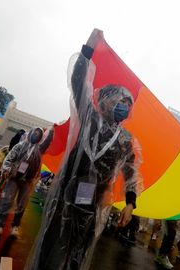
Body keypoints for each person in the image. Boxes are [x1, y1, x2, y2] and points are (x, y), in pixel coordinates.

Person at [26, 29, 143, 270]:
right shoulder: (89, 117)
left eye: (128, 105)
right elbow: (79, 82)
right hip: (65, 194)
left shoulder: (125, 139)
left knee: (78, 252)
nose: (124, 107)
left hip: (93, 202)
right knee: (50, 244)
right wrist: (88, 49)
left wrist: (131, 204)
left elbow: (132, 173)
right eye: (121, 101)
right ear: (107, 100)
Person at [0, 127, 53, 237]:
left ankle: (15, 226)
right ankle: (0, 226)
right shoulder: (20, 146)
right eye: (35, 133)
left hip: (28, 181)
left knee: (22, 204)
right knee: (7, 201)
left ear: (40, 137)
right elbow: (9, 158)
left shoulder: (39, 149)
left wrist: (52, 130)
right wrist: (6, 169)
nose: (36, 135)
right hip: (14, 178)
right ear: (31, 133)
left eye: (38, 134)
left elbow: (47, 142)